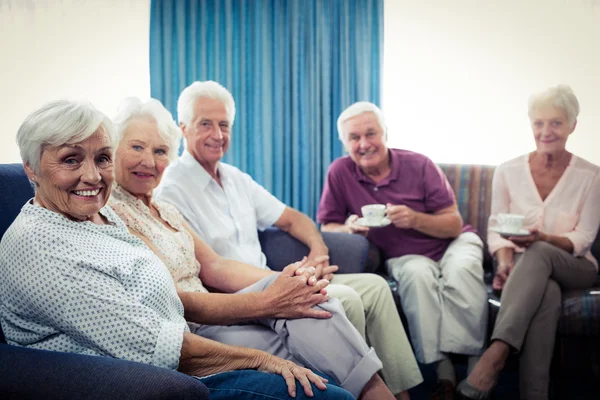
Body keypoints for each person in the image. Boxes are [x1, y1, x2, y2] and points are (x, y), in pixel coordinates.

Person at [0, 99, 361, 400]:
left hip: (183, 345)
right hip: (157, 381)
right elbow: (162, 347)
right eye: (70, 160)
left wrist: (289, 283)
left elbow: (197, 277)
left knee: (318, 308)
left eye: (102, 158)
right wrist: (260, 357)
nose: (93, 176)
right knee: (332, 390)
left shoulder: (100, 212)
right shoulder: (42, 247)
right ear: (31, 168)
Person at [107, 97, 396, 399]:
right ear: (113, 149)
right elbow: (171, 299)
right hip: (192, 327)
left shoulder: (165, 209)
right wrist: (273, 296)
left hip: (218, 316)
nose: (150, 162)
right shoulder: (114, 213)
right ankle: (373, 391)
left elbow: (216, 265)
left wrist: (286, 281)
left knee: (309, 308)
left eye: (160, 151)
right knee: (309, 328)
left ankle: (373, 390)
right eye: (137, 147)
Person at [317, 101, 489, 400]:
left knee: (462, 271)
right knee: (416, 277)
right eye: (354, 138)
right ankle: (443, 374)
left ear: (385, 133)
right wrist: (350, 227)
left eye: (371, 134)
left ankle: (476, 371)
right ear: (345, 143)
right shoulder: (340, 171)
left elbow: (453, 224)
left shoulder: (419, 163)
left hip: (454, 243)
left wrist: (414, 218)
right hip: (406, 256)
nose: (364, 144)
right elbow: (327, 226)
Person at [456, 85, 600, 400]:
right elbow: (495, 228)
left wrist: (542, 238)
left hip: (576, 267)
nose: (546, 131)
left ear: (573, 125)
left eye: (556, 123)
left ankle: (496, 353)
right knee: (544, 293)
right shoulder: (508, 171)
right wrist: (505, 262)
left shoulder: (591, 176)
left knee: (538, 252)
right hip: (527, 270)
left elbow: (584, 237)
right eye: (539, 123)